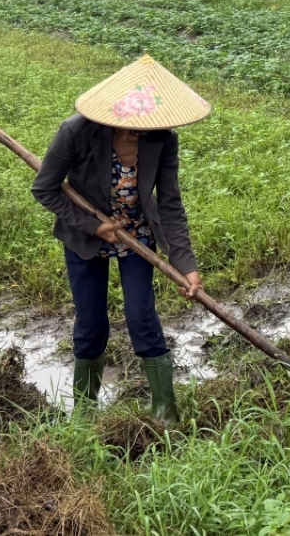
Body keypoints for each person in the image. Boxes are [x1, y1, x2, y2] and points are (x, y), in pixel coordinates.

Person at [31, 54, 212, 425]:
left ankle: (164, 409)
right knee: (91, 320)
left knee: (141, 315)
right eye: (129, 130)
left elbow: (171, 205)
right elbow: (45, 189)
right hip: (86, 237)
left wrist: (187, 266)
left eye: (143, 131)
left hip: (138, 236)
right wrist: (91, 225)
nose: (135, 137)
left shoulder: (163, 140)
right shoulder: (76, 132)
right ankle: (84, 412)